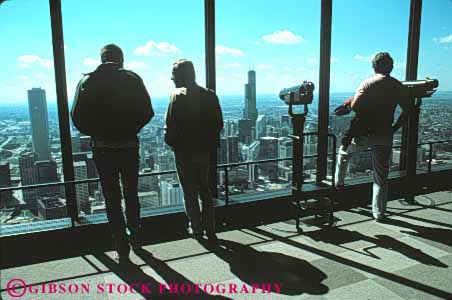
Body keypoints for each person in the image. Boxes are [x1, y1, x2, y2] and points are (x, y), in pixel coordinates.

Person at [71, 44, 154, 266]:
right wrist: (130, 128)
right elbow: (148, 111)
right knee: (131, 193)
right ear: (120, 59)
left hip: (103, 147)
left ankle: (121, 247)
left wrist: (97, 132)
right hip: (128, 145)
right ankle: (136, 239)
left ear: (102, 58)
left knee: (111, 198)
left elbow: (76, 116)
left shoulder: (87, 81)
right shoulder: (132, 79)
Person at [335, 52, 410, 221]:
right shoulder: (397, 86)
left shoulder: (368, 83)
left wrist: (350, 101)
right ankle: (379, 212)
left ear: (374, 67)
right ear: (390, 67)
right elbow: (408, 110)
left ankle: (339, 183)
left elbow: (355, 106)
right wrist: (394, 128)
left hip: (365, 133)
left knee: (344, 150)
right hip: (384, 134)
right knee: (381, 176)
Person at [164, 59, 223, 240]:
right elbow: (218, 124)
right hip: (204, 150)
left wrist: (172, 143)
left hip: (184, 152)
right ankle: (210, 227)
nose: (172, 78)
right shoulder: (210, 95)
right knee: (205, 189)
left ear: (180, 76)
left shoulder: (177, 96)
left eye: (174, 74)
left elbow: (170, 125)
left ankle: (196, 228)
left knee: (189, 191)